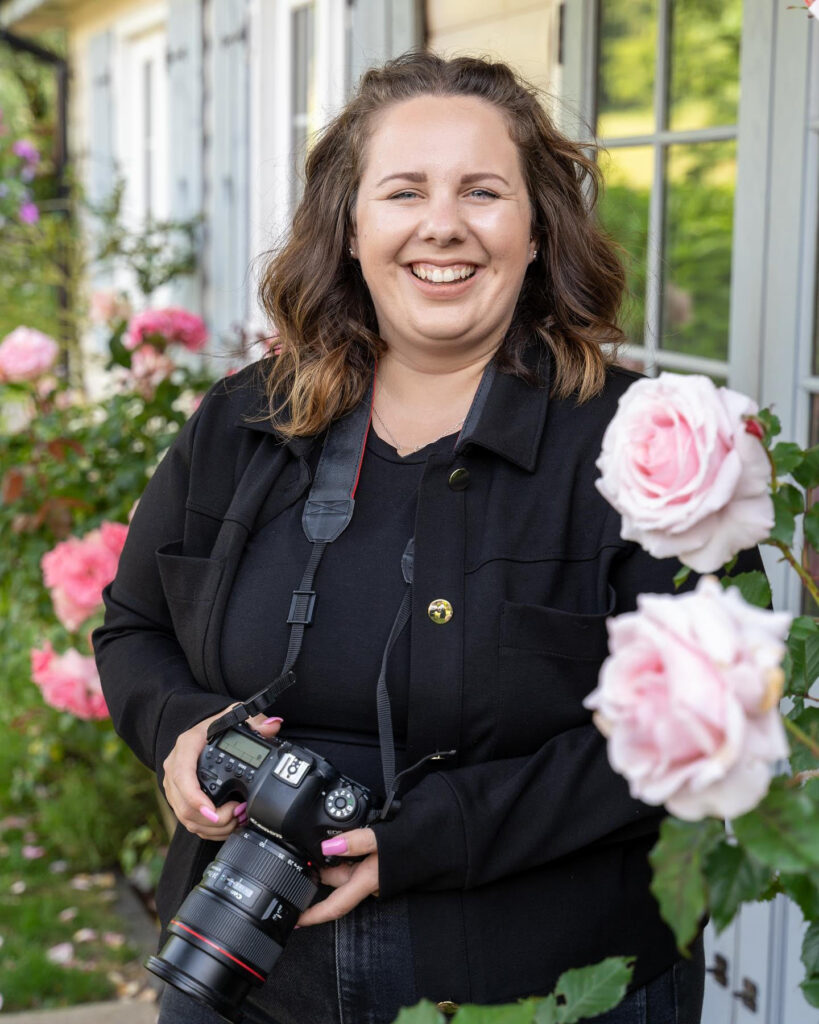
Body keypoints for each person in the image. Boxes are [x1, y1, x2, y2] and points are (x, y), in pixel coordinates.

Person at [94, 52, 731, 1024]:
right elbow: (133, 626)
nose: (443, 224)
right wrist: (181, 731)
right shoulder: (242, 425)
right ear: (351, 228)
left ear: (535, 228)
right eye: (404, 191)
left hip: (544, 983)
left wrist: (431, 836)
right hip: (250, 974)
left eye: (483, 190)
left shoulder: (644, 448)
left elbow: (685, 725)